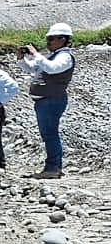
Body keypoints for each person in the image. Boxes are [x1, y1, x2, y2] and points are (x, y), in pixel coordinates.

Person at [16, 23, 76, 178]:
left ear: (62, 39)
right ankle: (54, 167)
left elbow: (51, 68)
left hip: (52, 100)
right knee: (48, 134)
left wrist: (36, 54)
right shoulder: (51, 56)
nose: (48, 42)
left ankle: (53, 168)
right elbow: (31, 68)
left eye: (51, 39)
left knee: (50, 134)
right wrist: (22, 59)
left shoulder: (65, 57)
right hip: (46, 101)